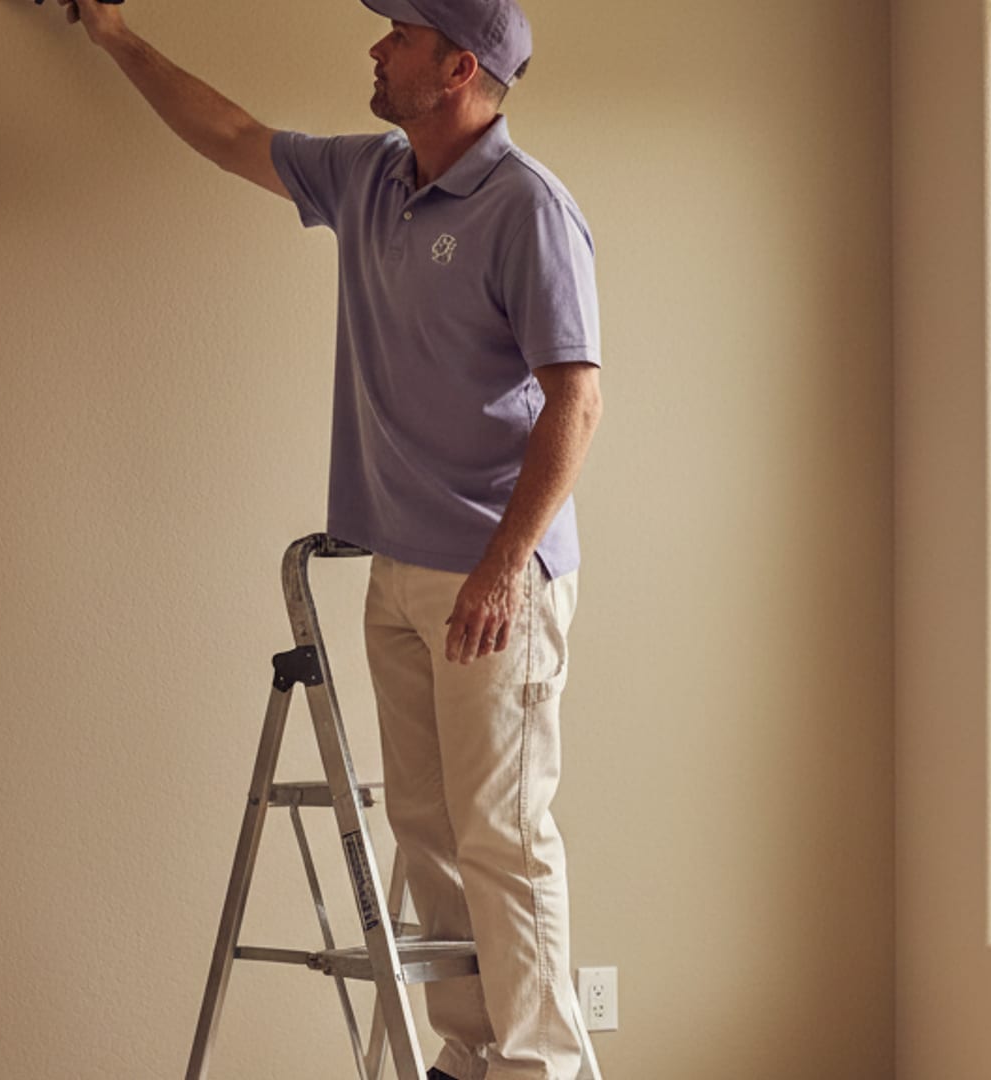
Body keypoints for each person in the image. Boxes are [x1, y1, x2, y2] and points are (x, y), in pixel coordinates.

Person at [45, 1, 601, 1076]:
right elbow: (231, 135)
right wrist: (112, 35)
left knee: (506, 838)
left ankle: (542, 1069)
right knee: (431, 835)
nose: (376, 49)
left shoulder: (527, 209)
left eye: (398, 34)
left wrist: (500, 566)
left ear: (458, 66)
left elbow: (575, 402)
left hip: (494, 582)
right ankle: (471, 1055)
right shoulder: (373, 178)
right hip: (397, 570)